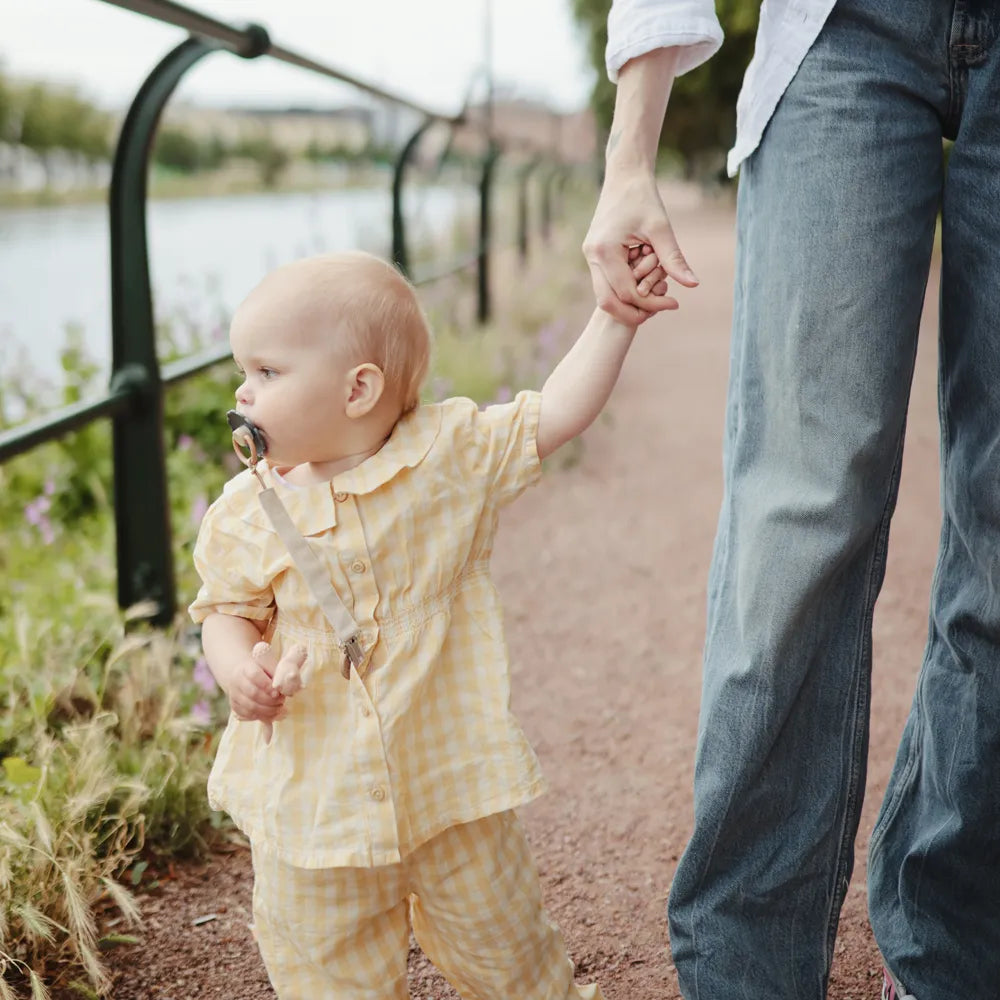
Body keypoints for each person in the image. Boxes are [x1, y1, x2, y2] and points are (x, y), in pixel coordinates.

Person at [584, 2, 1000, 1000]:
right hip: (843, 28)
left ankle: (951, 946)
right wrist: (629, 157)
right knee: (803, 510)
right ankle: (747, 971)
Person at [188, 247, 666, 999]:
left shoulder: (446, 457)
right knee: (326, 969)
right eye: (243, 372)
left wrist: (613, 318)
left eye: (268, 372)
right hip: (316, 806)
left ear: (358, 389)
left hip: (450, 791)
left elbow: (552, 415)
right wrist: (238, 668)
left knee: (509, 957)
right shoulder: (247, 513)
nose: (243, 392)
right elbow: (226, 611)